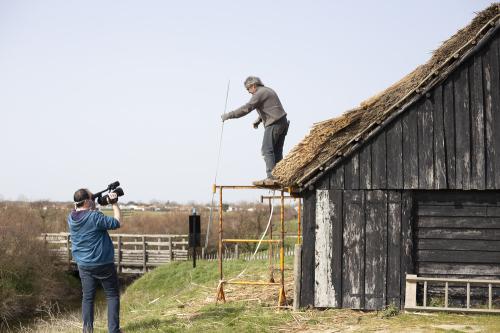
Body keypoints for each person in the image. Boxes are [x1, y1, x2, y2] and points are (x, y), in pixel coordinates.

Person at [67, 188, 122, 333]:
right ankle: (114, 330)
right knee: (112, 295)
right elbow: (116, 222)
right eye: (91, 199)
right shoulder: (95, 217)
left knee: (88, 298)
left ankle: (87, 330)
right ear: (86, 202)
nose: (94, 200)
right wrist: (114, 203)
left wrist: (92, 202)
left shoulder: (71, 217)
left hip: (83, 264)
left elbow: (80, 209)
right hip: (103, 263)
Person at [221, 76, 289, 186]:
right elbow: (271, 108)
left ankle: (271, 177)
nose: (249, 93)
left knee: (267, 149)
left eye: (248, 90)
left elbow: (246, 108)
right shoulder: (268, 91)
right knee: (276, 151)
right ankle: (279, 176)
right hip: (282, 122)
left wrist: (229, 115)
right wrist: (259, 120)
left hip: (274, 123)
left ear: (253, 86)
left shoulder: (259, 93)